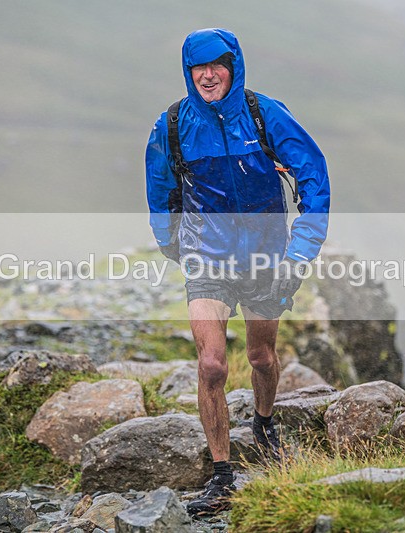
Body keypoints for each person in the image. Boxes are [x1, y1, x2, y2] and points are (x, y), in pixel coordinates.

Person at [145, 28, 330, 516]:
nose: (207, 75)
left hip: (268, 256)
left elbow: (314, 177)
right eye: (196, 68)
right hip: (206, 256)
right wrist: (172, 244)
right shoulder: (172, 125)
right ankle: (222, 475)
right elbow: (160, 190)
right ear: (188, 73)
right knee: (212, 364)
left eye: (216, 65)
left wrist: (299, 255)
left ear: (234, 65)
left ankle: (264, 424)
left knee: (263, 357)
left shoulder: (264, 114)